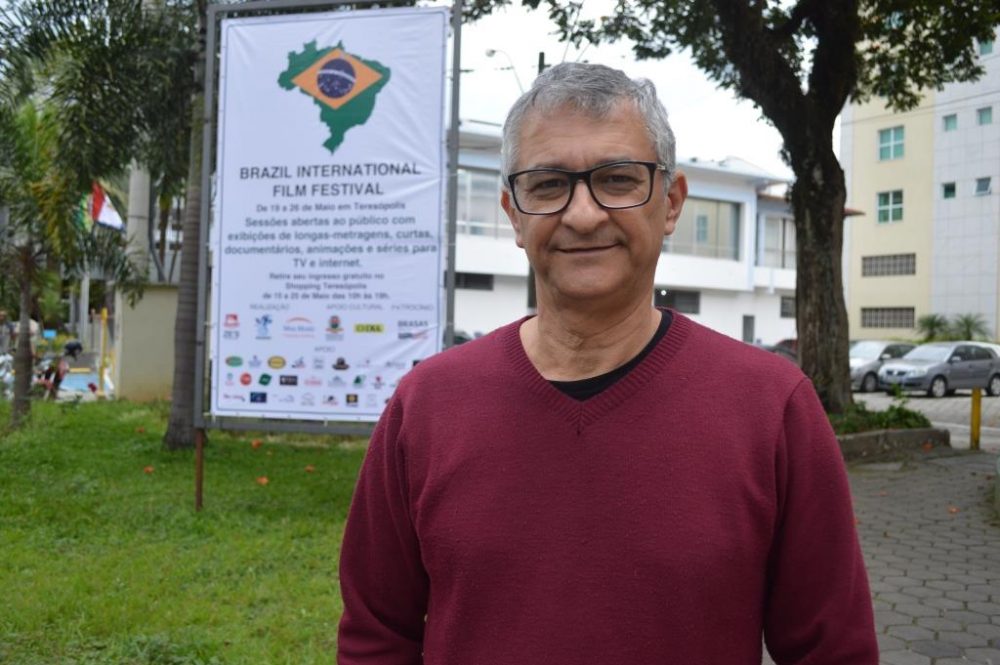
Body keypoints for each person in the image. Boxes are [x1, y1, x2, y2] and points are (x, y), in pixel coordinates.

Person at [338, 63, 878, 663]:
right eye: (548, 184)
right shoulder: (427, 405)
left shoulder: (771, 407)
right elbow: (376, 636)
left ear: (671, 203)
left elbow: (832, 650)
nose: (583, 214)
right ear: (513, 212)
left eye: (618, 179)